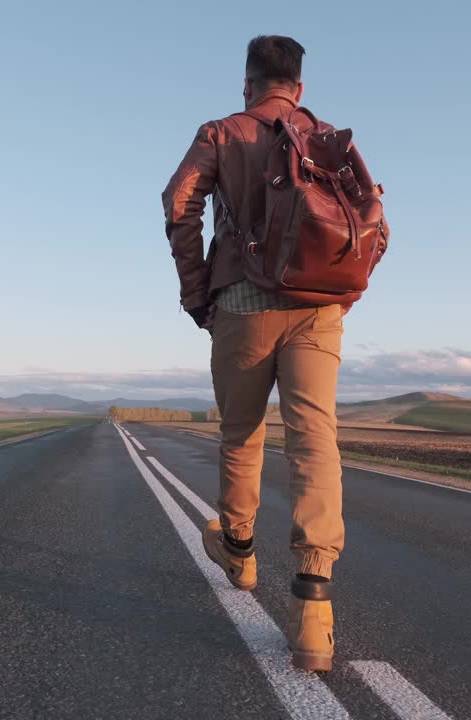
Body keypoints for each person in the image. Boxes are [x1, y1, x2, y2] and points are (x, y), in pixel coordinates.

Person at [162, 35, 348, 673]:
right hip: (319, 308)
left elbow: (178, 203)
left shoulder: (222, 132)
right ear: (298, 88)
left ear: (248, 84)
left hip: (241, 305)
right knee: (313, 440)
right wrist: (334, 292)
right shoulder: (324, 135)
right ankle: (314, 610)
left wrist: (197, 293)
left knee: (242, 434)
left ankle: (239, 553)